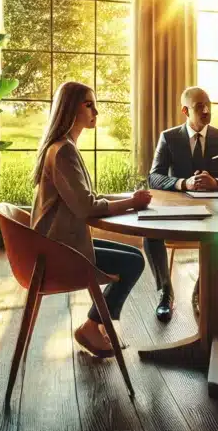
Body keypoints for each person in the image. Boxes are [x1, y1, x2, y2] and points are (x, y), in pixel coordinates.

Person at [30, 81, 153, 359]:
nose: (96, 111)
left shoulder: (62, 147)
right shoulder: (63, 151)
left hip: (56, 245)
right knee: (133, 262)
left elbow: (85, 197)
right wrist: (132, 203)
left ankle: (94, 325)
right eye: (88, 104)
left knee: (133, 255)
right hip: (60, 252)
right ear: (70, 108)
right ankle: (92, 326)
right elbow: (86, 208)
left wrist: (124, 198)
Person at [147, 86, 218, 322]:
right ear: (185, 111)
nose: (206, 110)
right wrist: (183, 183)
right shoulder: (169, 137)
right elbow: (154, 177)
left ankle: (202, 291)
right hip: (177, 211)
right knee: (150, 234)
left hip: (213, 214)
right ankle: (165, 292)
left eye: (208, 105)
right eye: (199, 106)